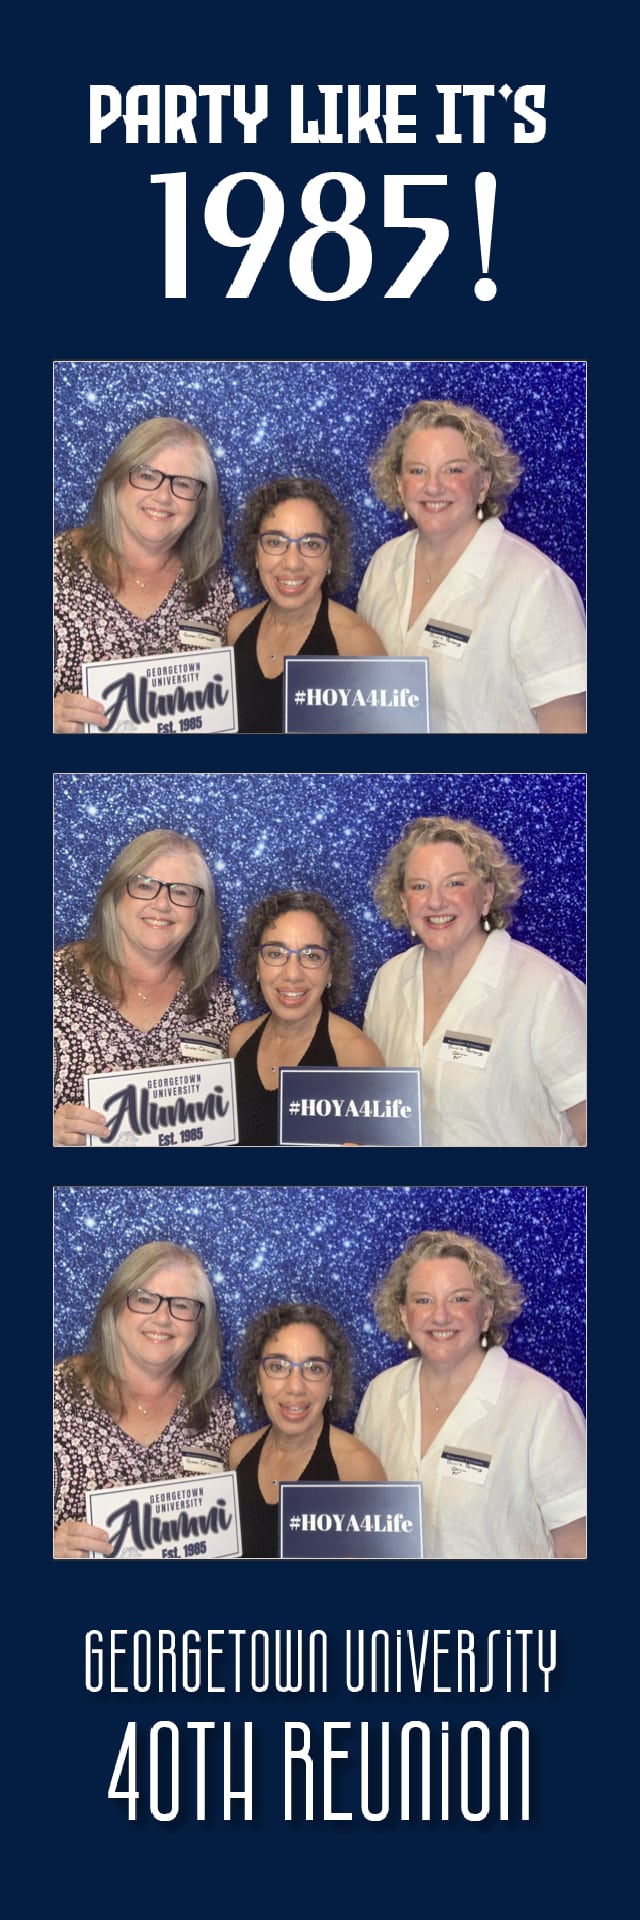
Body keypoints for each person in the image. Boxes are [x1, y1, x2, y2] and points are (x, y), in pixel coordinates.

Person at [356, 399, 586, 733]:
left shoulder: (536, 584)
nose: (433, 486)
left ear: (483, 484)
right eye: (417, 470)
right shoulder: (383, 563)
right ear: (399, 484)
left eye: (454, 469)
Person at [355, 1229, 586, 1560]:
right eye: (423, 1300)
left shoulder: (543, 1408)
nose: (440, 1315)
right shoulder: (382, 1394)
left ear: (487, 1311)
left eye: (459, 1298)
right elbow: (364, 1519)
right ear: (404, 1315)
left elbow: (578, 1548)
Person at [363, 815, 586, 1147]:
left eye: (455, 883)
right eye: (419, 886)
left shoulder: (546, 989)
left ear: (486, 896)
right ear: (403, 901)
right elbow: (374, 1106)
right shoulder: (389, 980)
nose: (436, 901)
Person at [54, 1239, 238, 1557]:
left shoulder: (216, 1411)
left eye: (181, 1305)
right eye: (144, 1298)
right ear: (115, 1306)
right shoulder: (54, 1395)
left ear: (199, 1325)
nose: (162, 1318)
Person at [54, 415, 237, 732]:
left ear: (199, 503)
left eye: (182, 483)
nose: (163, 497)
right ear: (117, 479)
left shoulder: (213, 583)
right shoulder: (54, 566)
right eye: (147, 475)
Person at [54, 829, 237, 1144]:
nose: (162, 904)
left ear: (198, 911)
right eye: (145, 885)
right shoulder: (55, 980)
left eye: (181, 892)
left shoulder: (216, 997)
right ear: (116, 893)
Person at [227, 476, 385, 731]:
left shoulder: (357, 644)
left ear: (330, 558)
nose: (292, 563)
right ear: (255, 553)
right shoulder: (237, 629)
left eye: (311, 544)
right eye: (275, 542)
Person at [230, 1302, 385, 1558]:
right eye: (278, 1366)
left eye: (314, 1368)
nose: (295, 1388)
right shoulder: (239, 1454)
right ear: (258, 1378)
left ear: (332, 1383)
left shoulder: (358, 1470)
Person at [229, 888, 384, 1144]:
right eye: (276, 954)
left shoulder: (357, 1056)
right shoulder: (239, 1041)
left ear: (331, 971)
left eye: (311, 956)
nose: (292, 974)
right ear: (256, 966)